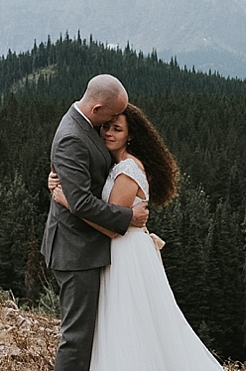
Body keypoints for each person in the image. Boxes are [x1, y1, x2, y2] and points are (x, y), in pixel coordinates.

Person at [50, 103, 223, 370]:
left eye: (117, 129)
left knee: (126, 324)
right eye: (106, 126)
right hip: (122, 249)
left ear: (130, 136)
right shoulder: (116, 164)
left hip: (125, 252)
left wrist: (68, 202)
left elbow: (110, 226)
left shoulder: (127, 170)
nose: (108, 133)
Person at [40, 74, 150, 371]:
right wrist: (129, 217)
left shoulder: (83, 126)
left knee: (88, 334)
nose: (110, 125)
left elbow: (80, 184)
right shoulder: (73, 137)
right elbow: (82, 203)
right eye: (111, 117)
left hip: (87, 246)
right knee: (77, 338)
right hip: (75, 251)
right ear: (98, 108)